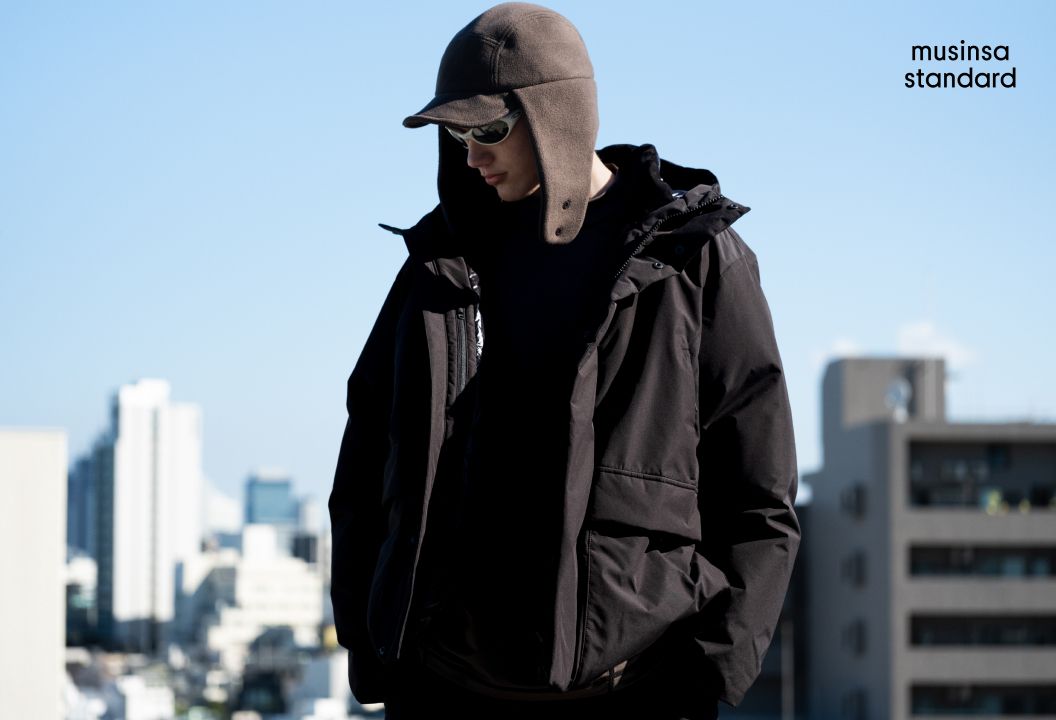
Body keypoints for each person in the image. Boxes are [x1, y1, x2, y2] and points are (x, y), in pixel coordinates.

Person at [328, 4, 800, 718]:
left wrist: (708, 676)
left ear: (558, 113)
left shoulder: (692, 258)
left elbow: (759, 495)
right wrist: (373, 655)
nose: (472, 156)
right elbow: (363, 466)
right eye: (457, 135)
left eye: (489, 130)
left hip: (635, 688)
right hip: (442, 686)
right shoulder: (439, 264)